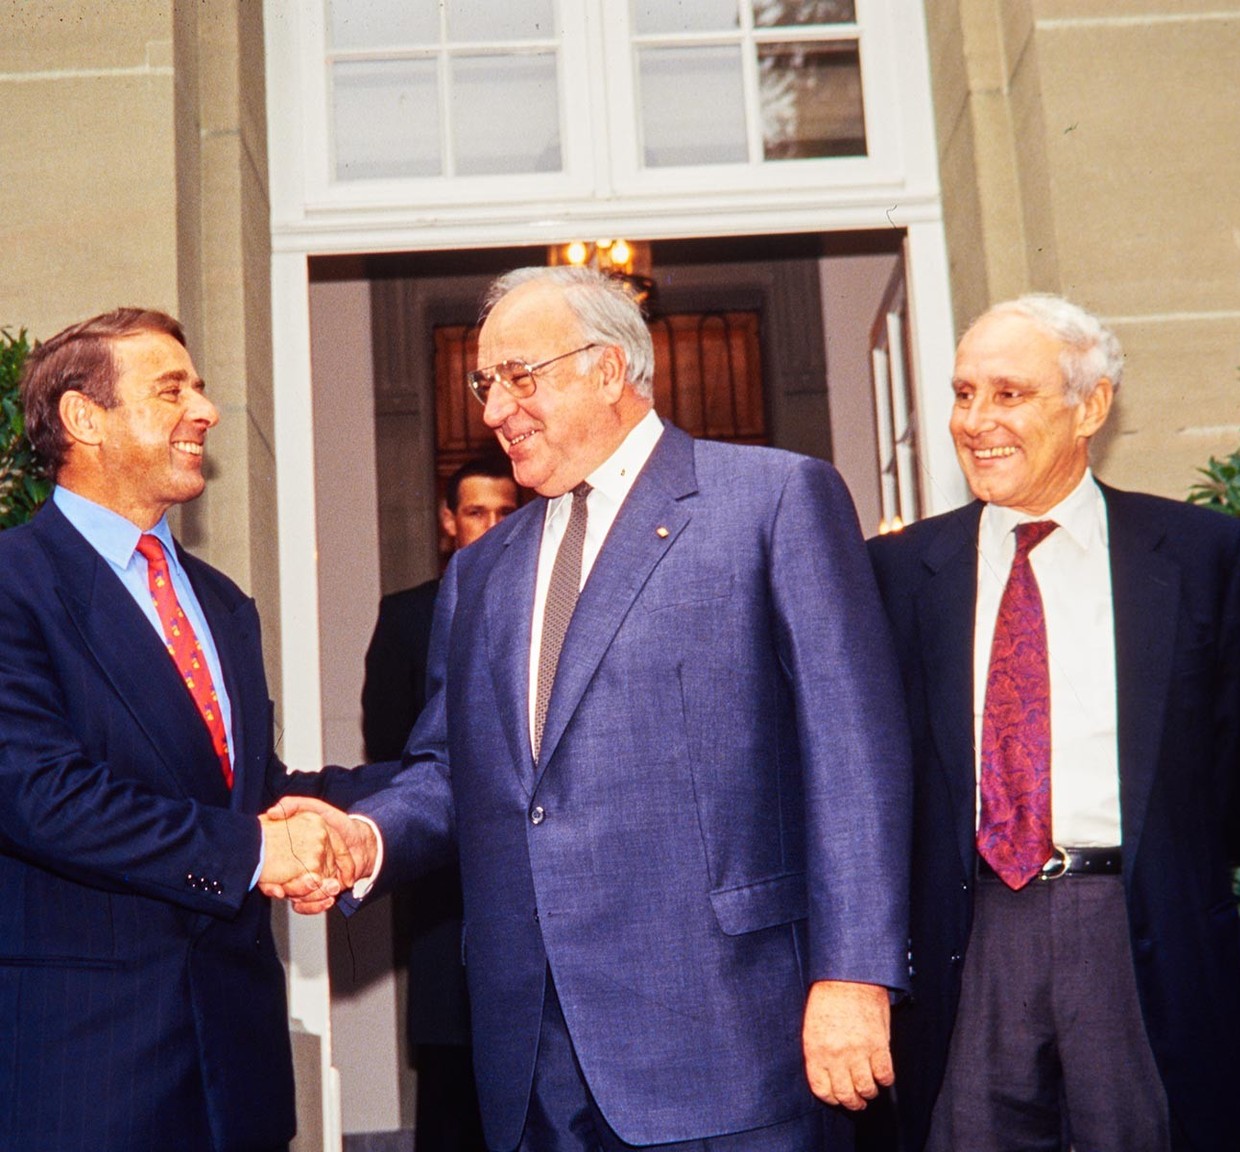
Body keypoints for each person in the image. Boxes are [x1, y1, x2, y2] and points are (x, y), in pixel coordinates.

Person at [292, 265, 911, 1151]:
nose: (495, 408)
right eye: (484, 383)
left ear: (608, 369)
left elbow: (854, 758)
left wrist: (855, 975)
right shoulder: (480, 573)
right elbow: (454, 773)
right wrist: (366, 839)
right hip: (533, 1055)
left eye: (520, 377)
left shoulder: (772, 501)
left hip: (728, 1036)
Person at [867, 294, 1240, 1152]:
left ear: (1090, 407)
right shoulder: (898, 573)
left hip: (1134, 924)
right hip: (969, 937)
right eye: (963, 393)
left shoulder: (1199, 556)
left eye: (1009, 394)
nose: (976, 422)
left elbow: (1234, 772)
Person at [0, 308, 380, 1151]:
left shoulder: (221, 604)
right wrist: (253, 853)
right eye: (171, 388)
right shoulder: (14, 585)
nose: (204, 411)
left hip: (235, 1076)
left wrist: (372, 811)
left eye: (200, 388)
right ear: (83, 419)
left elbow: (249, 793)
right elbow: (37, 793)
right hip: (86, 1076)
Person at [361, 455, 517, 1152]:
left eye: (504, 513)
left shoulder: (551, 598)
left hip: (539, 884)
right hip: (445, 892)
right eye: (476, 512)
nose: (489, 526)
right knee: (452, 1092)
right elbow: (396, 757)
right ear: (449, 522)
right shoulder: (407, 618)